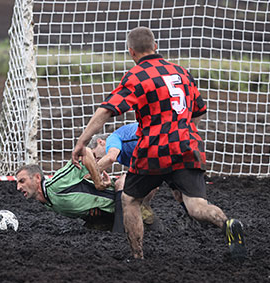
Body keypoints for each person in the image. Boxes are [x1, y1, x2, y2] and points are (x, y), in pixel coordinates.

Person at [71, 26, 246, 260]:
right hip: (187, 146)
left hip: (154, 148)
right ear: (155, 47)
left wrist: (82, 142)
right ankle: (228, 223)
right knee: (196, 206)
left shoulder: (137, 76)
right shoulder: (182, 72)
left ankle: (137, 257)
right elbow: (199, 110)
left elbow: (107, 110)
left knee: (130, 199)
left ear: (131, 52)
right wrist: (182, 128)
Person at [16, 147, 135, 232]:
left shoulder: (57, 183)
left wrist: (98, 183)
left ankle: (120, 231)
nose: (18, 188)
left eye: (22, 181)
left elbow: (85, 151)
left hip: (129, 204)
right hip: (107, 214)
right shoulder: (46, 202)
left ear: (37, 177)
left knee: (123, 183)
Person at [87, 122, 157, 225]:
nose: (96, 160)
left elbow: (111, 157)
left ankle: (119, 231)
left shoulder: (113, 138)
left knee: (121, 184)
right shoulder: (126, 153)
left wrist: (91, 174)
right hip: (165, 149)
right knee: (179, 193)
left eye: (94, 154)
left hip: (159, 140)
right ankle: (144, 210)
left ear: (100, 142)